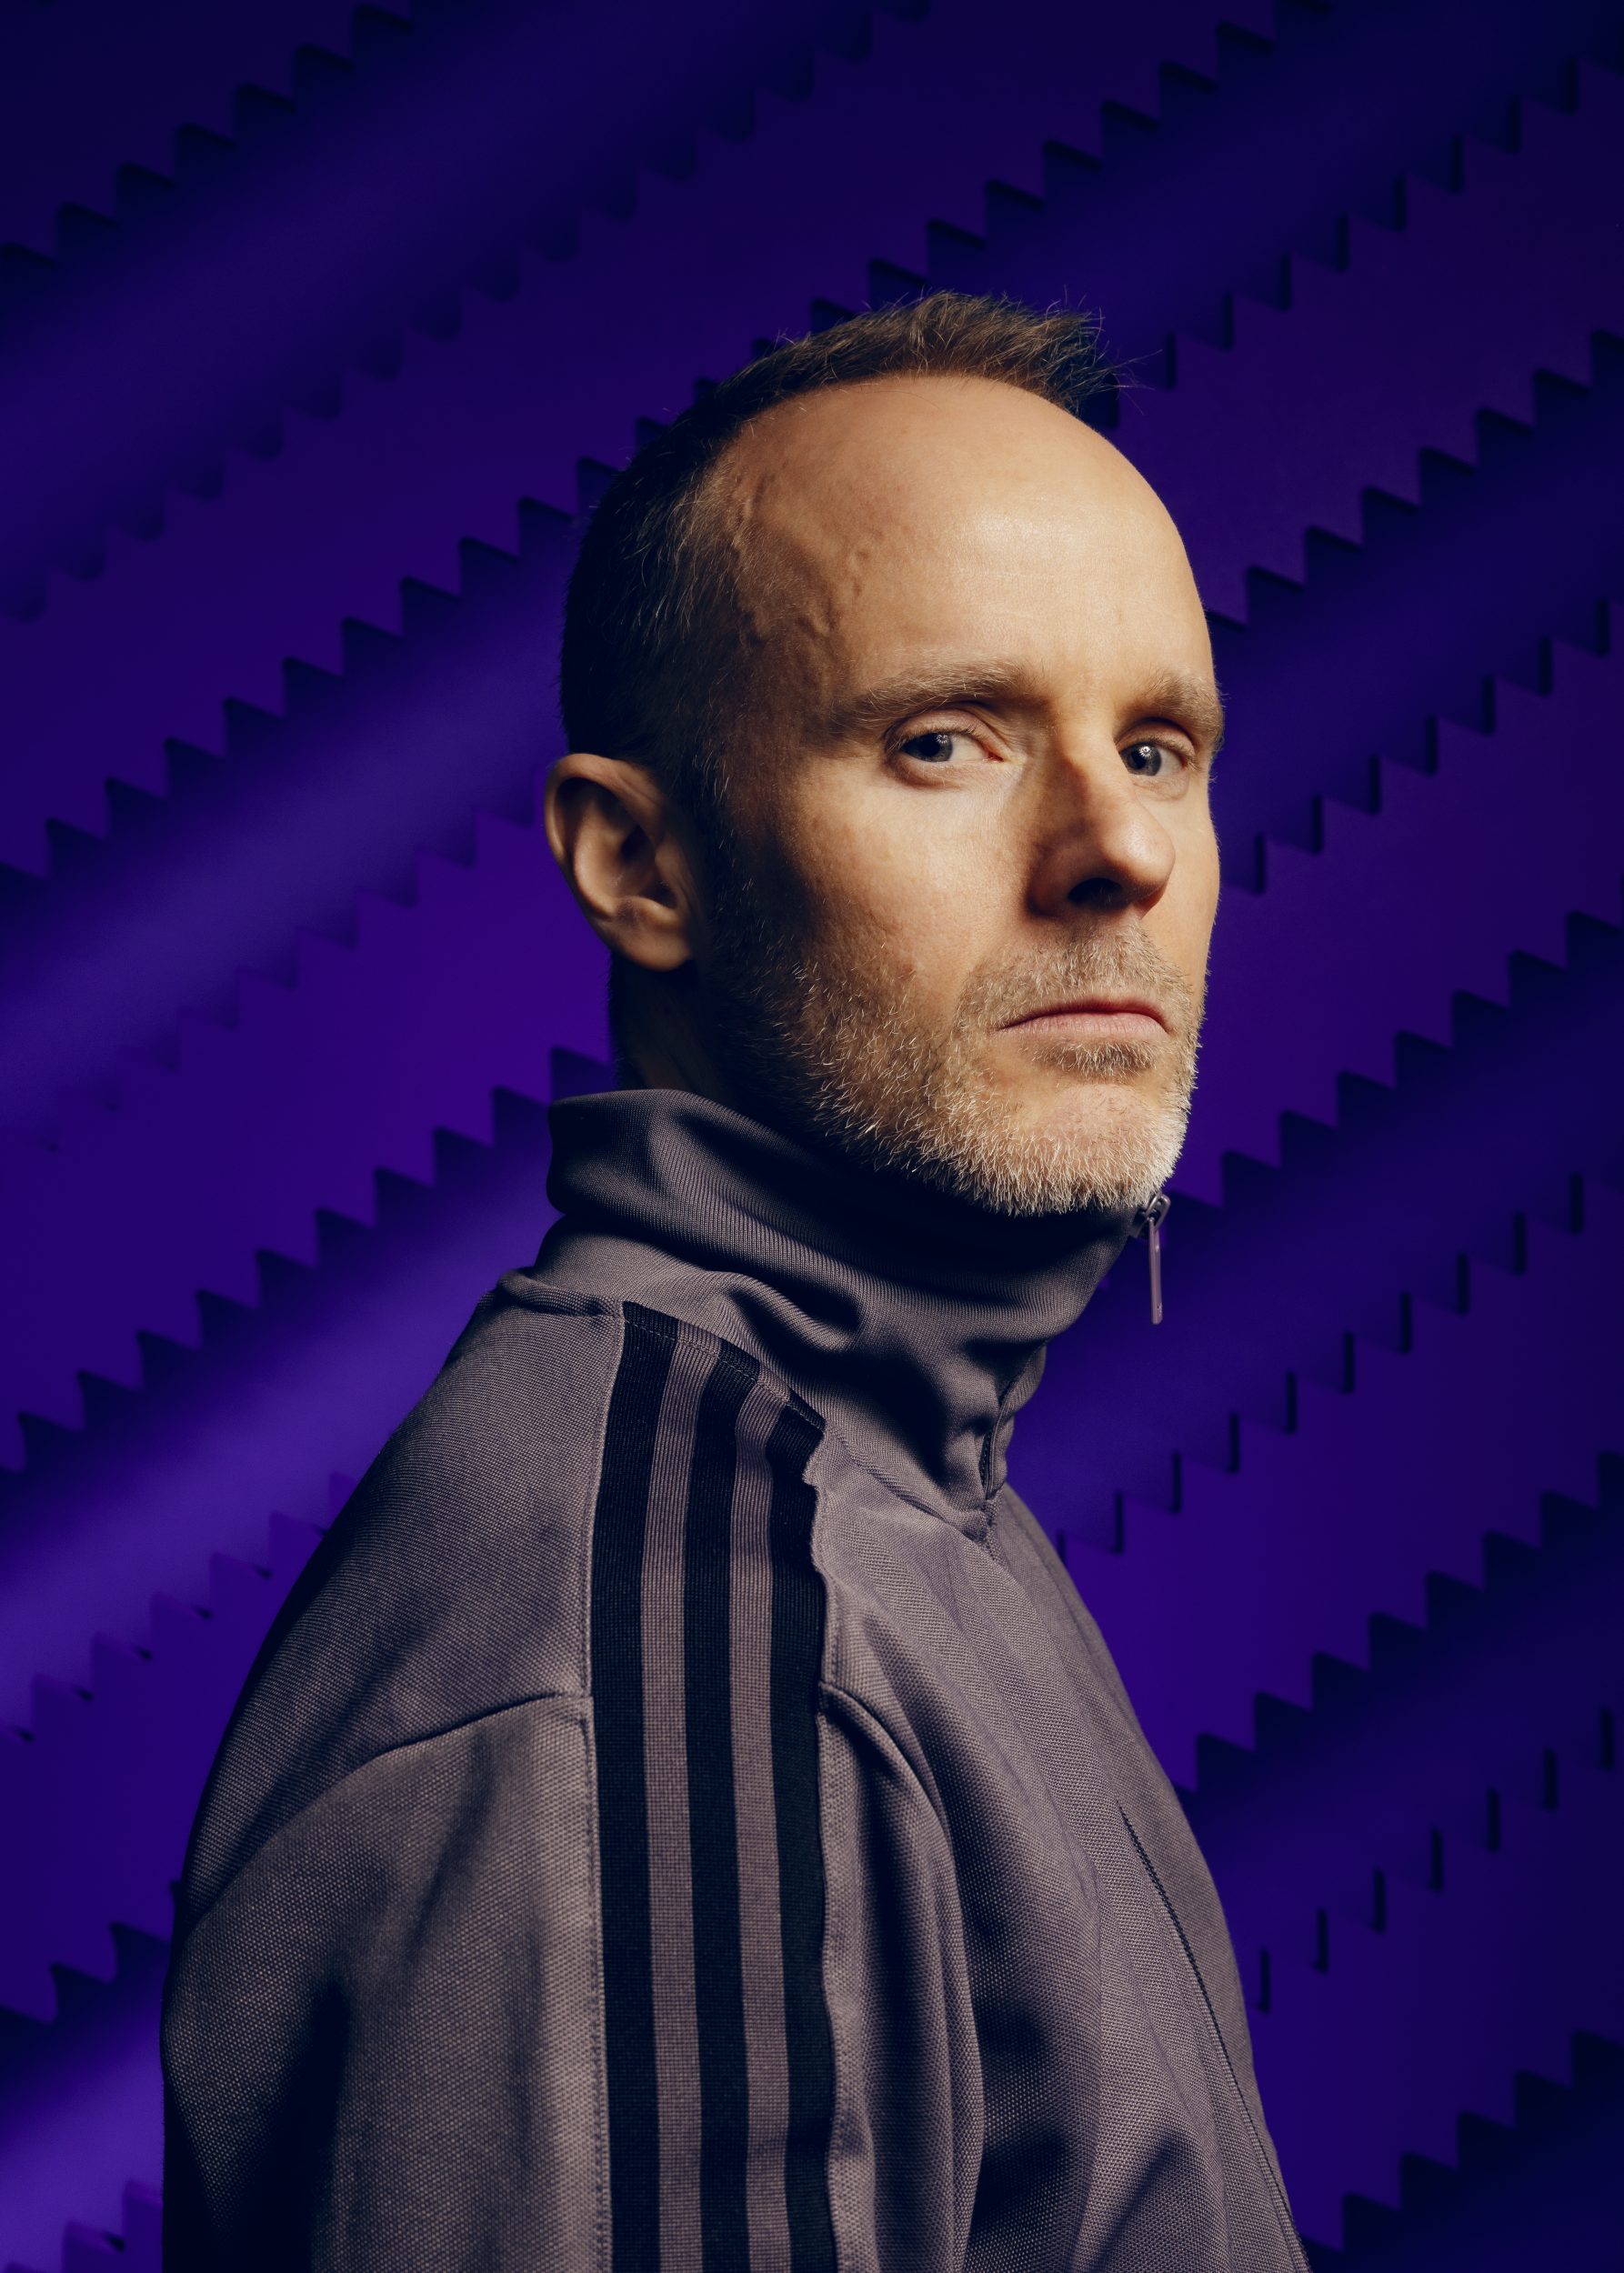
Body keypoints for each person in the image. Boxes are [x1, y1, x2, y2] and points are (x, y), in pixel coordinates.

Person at [161, 292, 1308, 2271]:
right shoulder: (692, 1635)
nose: (1116, 845)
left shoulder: (892, 1489)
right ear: (640, 865)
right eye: (943, 740)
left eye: (1156, 744)